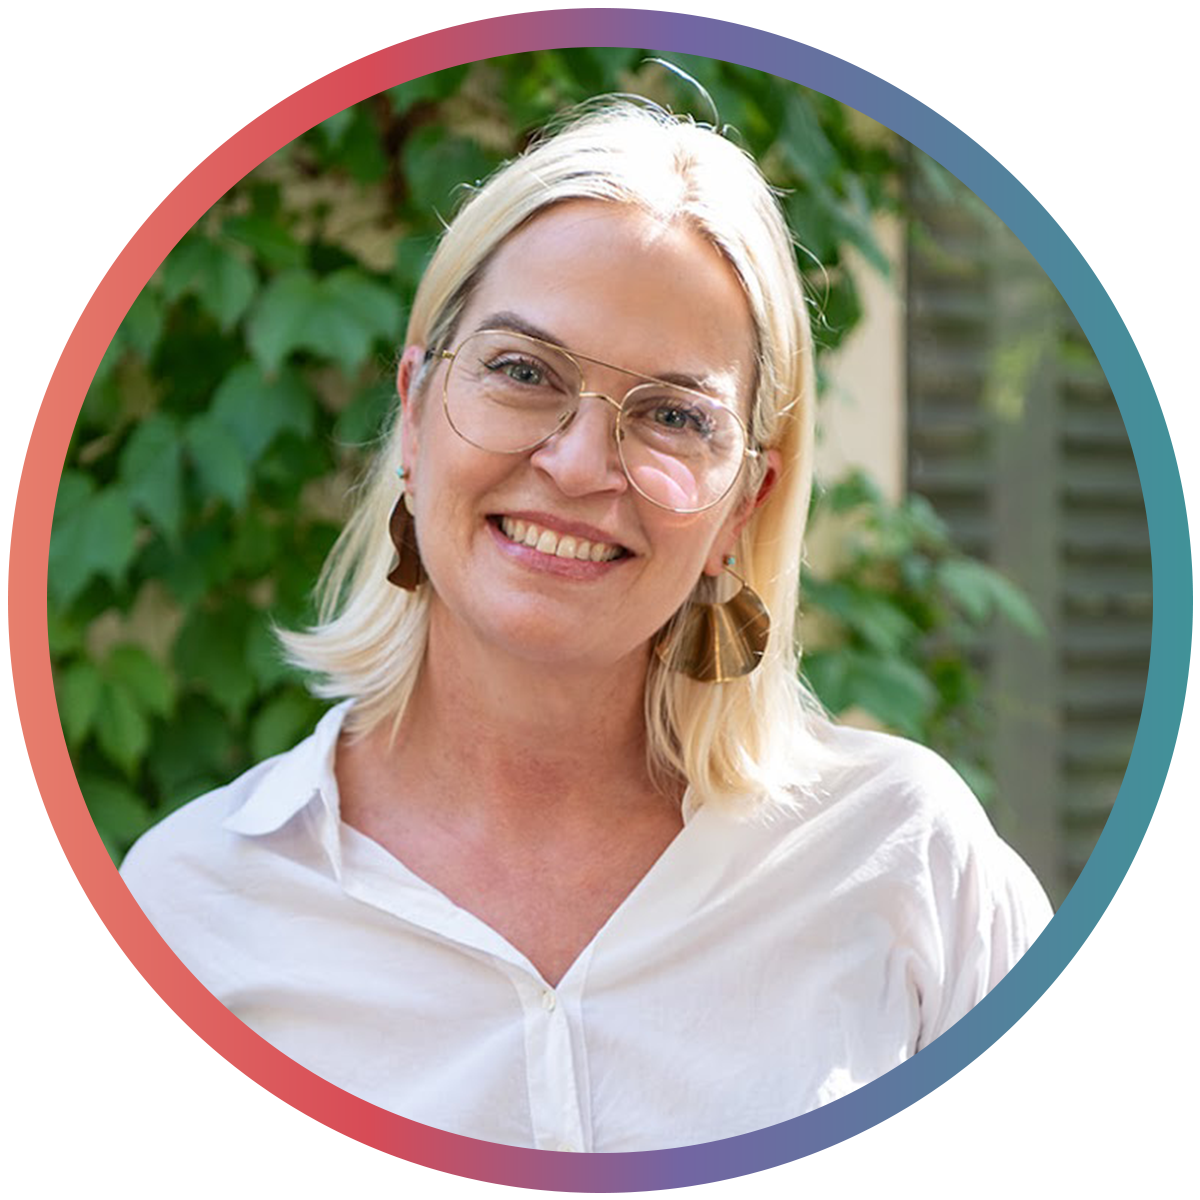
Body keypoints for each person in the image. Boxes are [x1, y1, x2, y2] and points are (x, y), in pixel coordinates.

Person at [120, 98, 1053, 1152]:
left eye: (672, 416)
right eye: (525, 372)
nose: (576, 465)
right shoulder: (193, 908)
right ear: (417, 412)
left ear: (741, 507)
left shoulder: (904, 863)